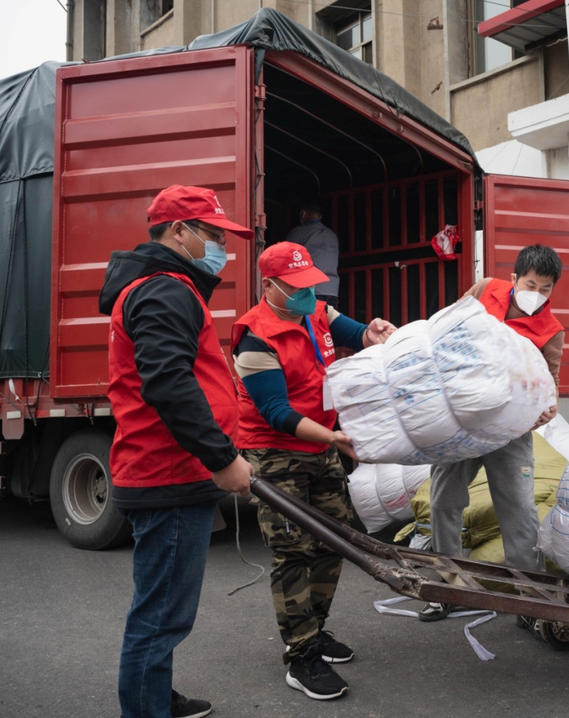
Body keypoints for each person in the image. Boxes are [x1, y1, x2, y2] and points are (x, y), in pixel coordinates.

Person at [99, 184, 255, 718]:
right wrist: (221, 457)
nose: (221, 248)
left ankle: (154, 697)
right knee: (161, 614)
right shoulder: (164, 289)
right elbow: (168, 384)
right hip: (167, 473)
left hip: (169, 468)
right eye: (212, 235)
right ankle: (144, 710)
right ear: (178, 231)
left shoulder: (165, 287)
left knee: (162, 607)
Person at [232, 241, 396, 701]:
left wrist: (375, 331)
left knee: (336, 538)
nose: (308, 294)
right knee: (293, 551)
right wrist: (335, 439)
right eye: (297, 287)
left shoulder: (316, 313)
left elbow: (359, 333)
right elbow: (274, 411)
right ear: (270, 286)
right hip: (276, 452)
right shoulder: (254, 338)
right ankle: (300, 656)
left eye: (311, 285)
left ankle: (315, 629)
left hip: (320, 446)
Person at [418, 244, 565, 622]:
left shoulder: (551, 332)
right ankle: (450, 587)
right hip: (463, 421)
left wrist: (545, 409)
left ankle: (531, 597)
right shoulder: (485, 289)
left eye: (546, 289)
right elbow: (448, 328)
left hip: (510, 431)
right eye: (531, 284)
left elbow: (551, 387)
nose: (537, 295)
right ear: (513, 278)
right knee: (444, 500)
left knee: (518, 508)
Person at [286, 198, 340, 308]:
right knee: (328, 323)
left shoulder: (299, 232)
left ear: (303, 213)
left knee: (309, 324)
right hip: (332, 290)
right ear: (320, 216)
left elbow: (284, 256)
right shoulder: (333, 235)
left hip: (310, 290)